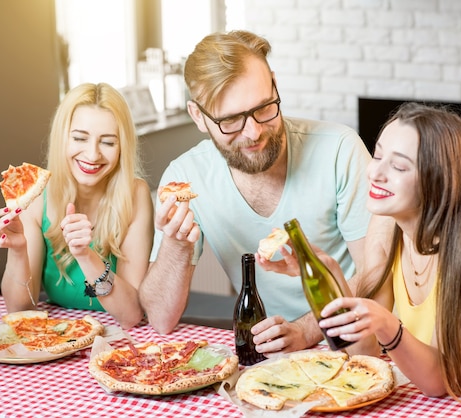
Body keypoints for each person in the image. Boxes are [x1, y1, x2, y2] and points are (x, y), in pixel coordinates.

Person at [267, 102, 461, 399]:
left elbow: (440, 381)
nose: (375, 173)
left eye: (398, 166)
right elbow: (364, 352)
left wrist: (387, 323)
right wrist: (332, 276)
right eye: (378, 154)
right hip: (436, 393)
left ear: (438, 181)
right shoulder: (384, 225)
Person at [139, 29, 373, 352]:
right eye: (232, 120)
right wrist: (176, 245)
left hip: (357, 344)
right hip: (267, 359)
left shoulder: (340, 151)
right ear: (198, 117)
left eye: (264, 107)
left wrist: (307, 330)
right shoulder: (185, 177)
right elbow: (161, 319)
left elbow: (376, 276)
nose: (254, 132)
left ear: (274, 84)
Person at [0, 82, 154, 329]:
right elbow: (20, 310)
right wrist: (18, 250)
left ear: (122, 148)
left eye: (108, 142)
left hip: (120, 344)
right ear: (62, 138)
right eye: (79, 138)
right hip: (60, 338)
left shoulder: (135, 194)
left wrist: (85, 255)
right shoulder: (38, 197)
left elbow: (130, 315)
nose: (92, 154)